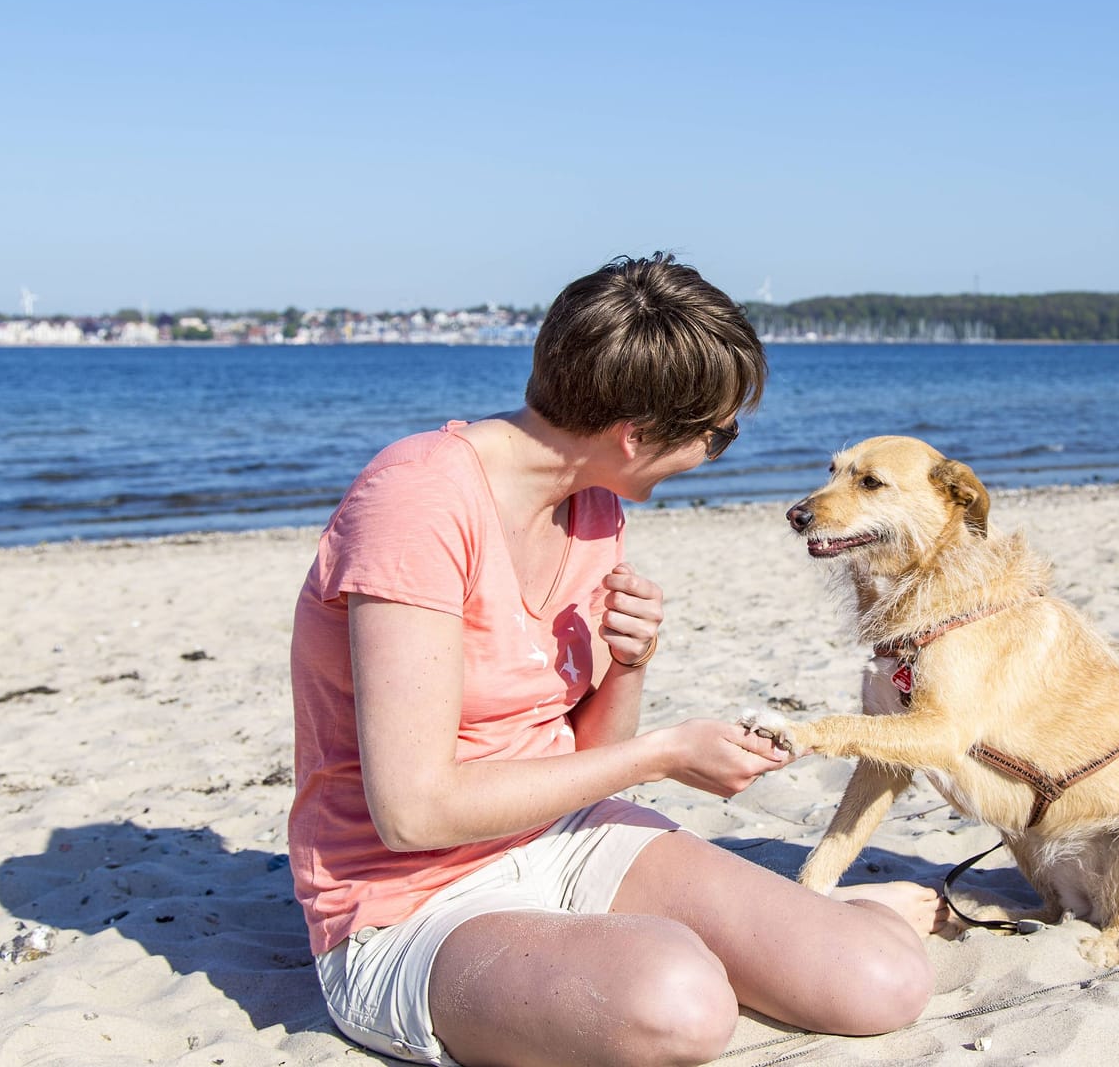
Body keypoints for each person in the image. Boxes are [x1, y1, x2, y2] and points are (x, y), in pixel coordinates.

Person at [289, 254, 942, 1067]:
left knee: (882, 983)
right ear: (633, 435)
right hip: (413, 901)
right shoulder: (416, 504)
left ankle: (790, 926)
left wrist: (628, 666)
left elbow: (592, 767)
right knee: (679, 1005)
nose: (717, 452)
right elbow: (414, 813)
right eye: (719, 435)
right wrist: (666, 752)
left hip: (565, 835)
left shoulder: (594, 503)